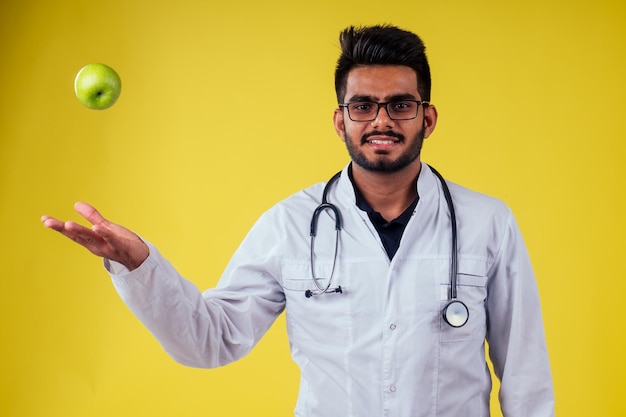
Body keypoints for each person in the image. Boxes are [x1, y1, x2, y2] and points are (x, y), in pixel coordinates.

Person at [42, 24, 554, 417]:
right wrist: (139, 265)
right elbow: (211, 340)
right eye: (363, 106)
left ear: (428, 117)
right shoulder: (290, 225)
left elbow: (526, 375)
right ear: (340, 121)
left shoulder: (488, 223)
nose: (381, 121)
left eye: (400, 105)